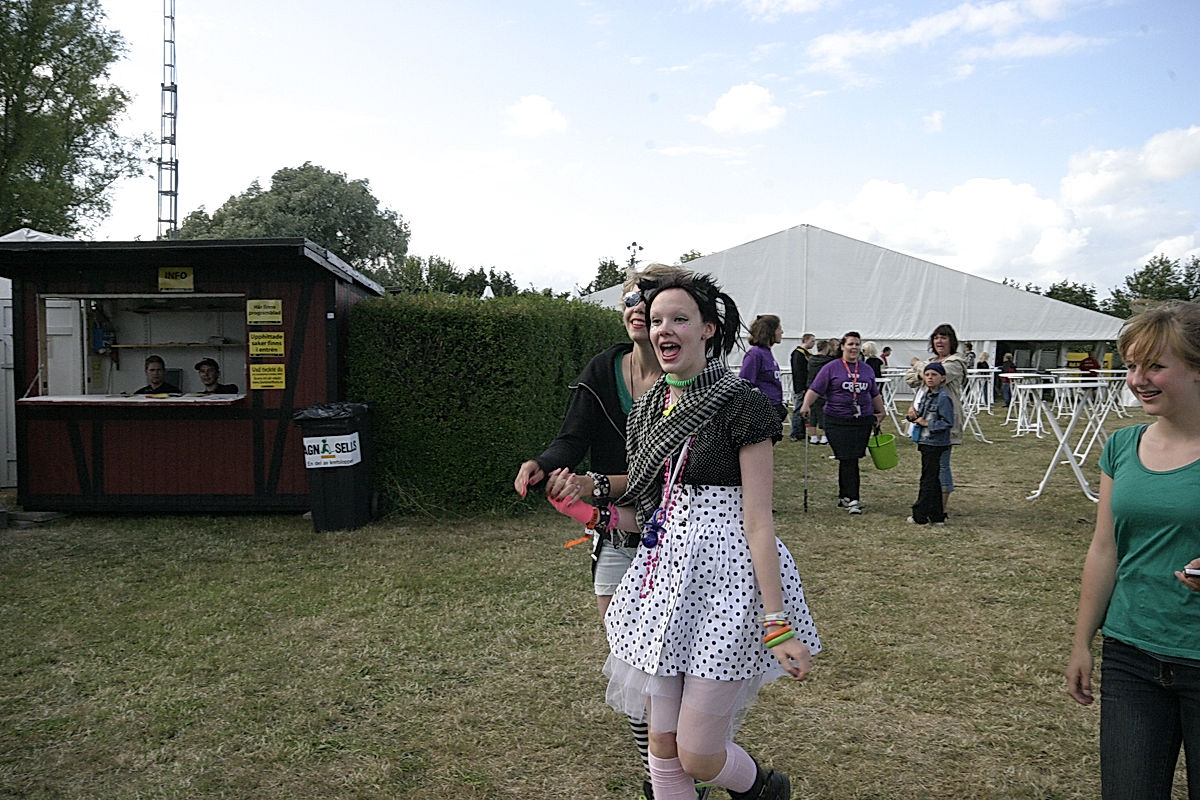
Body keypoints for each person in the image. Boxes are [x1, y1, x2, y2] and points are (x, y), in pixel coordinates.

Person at [547, 271, 818, 800]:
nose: (663, 329)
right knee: (662, 749)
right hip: (666, 581)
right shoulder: (649, 409)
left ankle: (763, 789)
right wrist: (587, 509)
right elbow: (649, 516)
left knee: (697, 754)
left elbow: (759, 521)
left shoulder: (740, 402)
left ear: (707, 329)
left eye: (679, 319)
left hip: (728, 585)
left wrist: (776, 620)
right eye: (655, 321)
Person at [513, 264, 689, 800]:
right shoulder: (602, 368)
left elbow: (669, 475)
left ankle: (688, 764)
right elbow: (573, 437)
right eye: (631, 298)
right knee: (630, 662)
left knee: (673, 665)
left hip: (679, 536)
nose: (638, 308)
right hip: (615, 538)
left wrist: (595, 486)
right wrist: (545, 464)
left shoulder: (691, 379)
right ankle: (659, 776)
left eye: (650, 300)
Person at [1065, 300, 1200, 800]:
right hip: (1131, 656)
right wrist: (1083, 642)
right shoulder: (1123, 446)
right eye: (1131, 366)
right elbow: (1105, 549)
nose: (1138, 380)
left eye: (1155, 366)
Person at [799, 331, 886, 514]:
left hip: (861, 420)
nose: (854, 347)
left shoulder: (866, 369)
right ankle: (853, 499)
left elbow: (874, 392)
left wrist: (881, 411)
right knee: (847, 457)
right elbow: (815, 389)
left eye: (857, 344)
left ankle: (844, 495)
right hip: (837, 420)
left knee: (850, 458)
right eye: (850, 344)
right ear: (842, 347)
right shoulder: (832, 367)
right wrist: (806, 405)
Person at [904, 324, 967, 513]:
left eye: (944, 337)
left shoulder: (956, 362)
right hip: (923, 420)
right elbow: (911, 379)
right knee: (929, 466)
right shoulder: (932, 361)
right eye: (936, 337)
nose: (939, 341)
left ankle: (940, 509)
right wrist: (923, 370)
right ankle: (931, 504)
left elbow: (938, 373)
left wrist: (917, 364)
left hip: (942, 421)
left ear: (951, 341)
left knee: (942, 464)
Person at [905, 362, 953, 526]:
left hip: (936, 442)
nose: (930, 378)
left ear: (943, 378)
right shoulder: (926, 395)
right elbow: (922, 415)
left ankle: (920, 514)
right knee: (933, 478)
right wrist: (913, 417)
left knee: (928, 479)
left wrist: (928, 424)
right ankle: (936, 515)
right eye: (927, 375)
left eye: (934, 375)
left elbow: (948, 422)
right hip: (925, 440)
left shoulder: (944, 397)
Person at [739, 314, 786, 439]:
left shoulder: (767, 353)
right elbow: (745, 384)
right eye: (779, 328)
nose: (782, 332)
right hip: (762, 411)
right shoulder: (755, 354)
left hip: (773, 409)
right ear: (770, 331)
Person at [803, 339, 833, 445]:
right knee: (825, 412)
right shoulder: (829, 361)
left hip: (811, 387)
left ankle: (813, 437)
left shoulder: (811, 360)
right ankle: (824, 436)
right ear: (826, 348)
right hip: (824, 389)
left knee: (812, 414)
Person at [787, 334, 815, 442]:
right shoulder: (798, 354)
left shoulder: (808, 354)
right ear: (806, 340)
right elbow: (798, 372)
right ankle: (794, 433)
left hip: (807, 386)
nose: (813, 343)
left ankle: (802, 432)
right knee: (798, 409)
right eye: (812, 341)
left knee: (805, 410)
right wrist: (801, 386)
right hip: (801, 386)